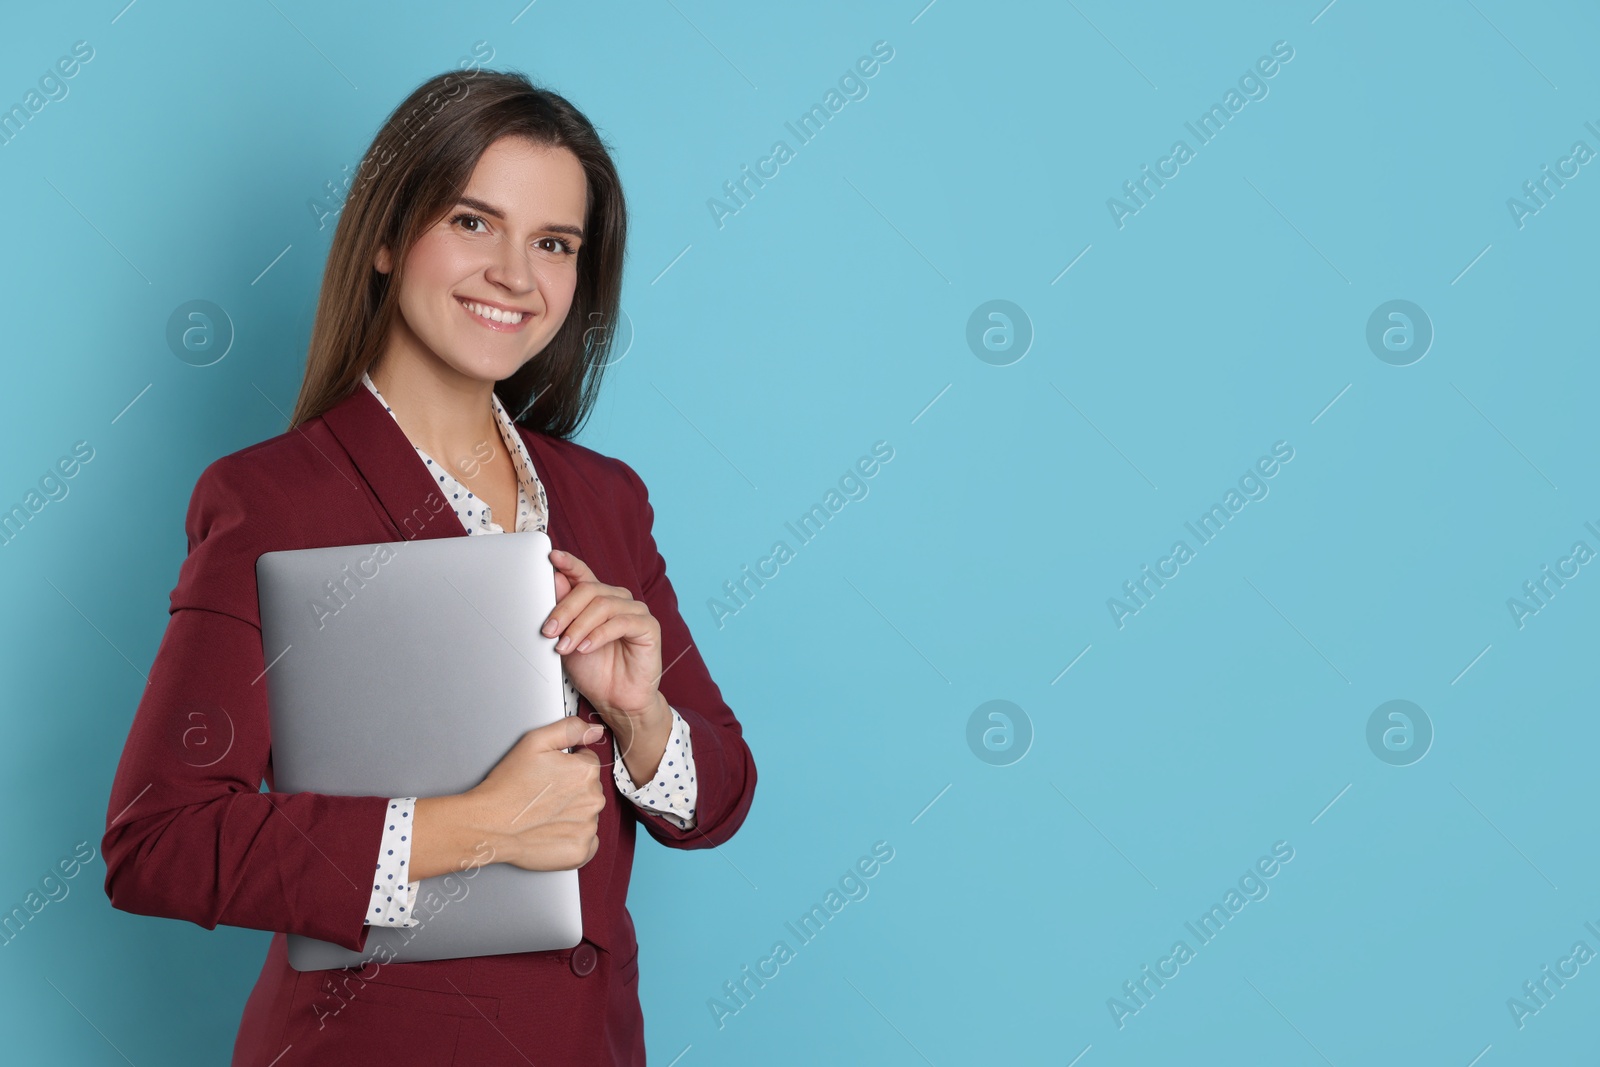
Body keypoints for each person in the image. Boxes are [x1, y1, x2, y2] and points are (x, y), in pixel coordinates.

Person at [100, 68, 757, 1065]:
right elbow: (160, 842)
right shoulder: (271, 498)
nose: (515, 274)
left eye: (553, 243)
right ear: (383, 236)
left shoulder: (607, 497)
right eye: (471, 221)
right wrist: (467, 827)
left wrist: (639, 716)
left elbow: (719, 798)